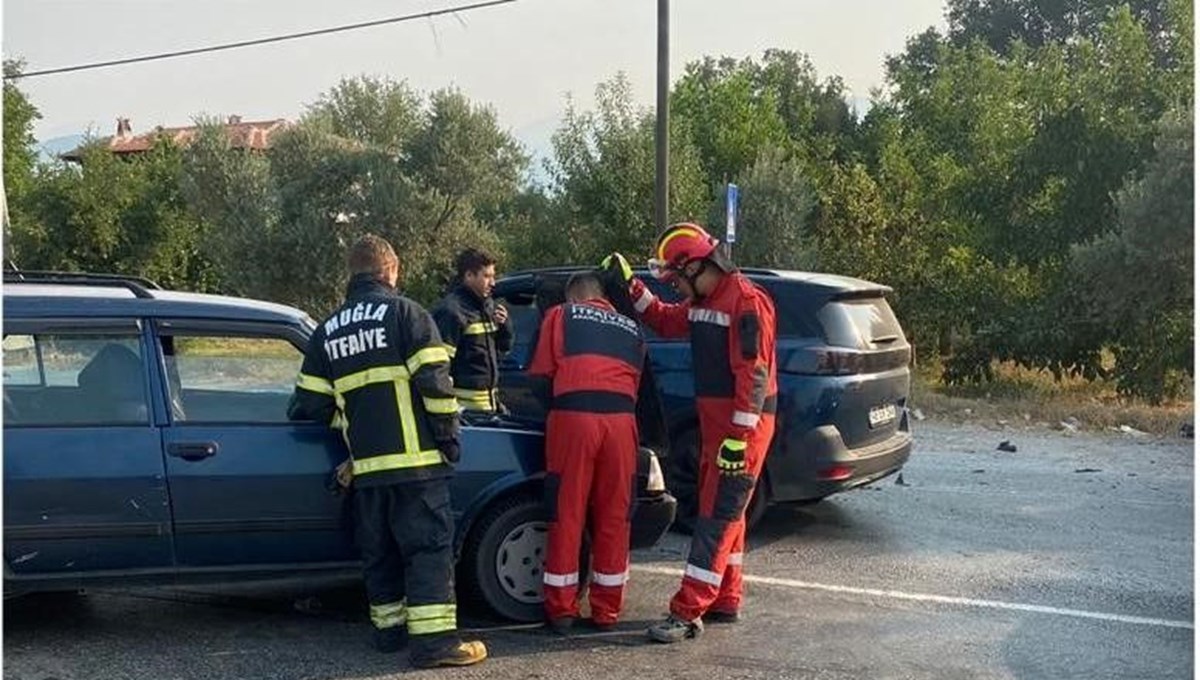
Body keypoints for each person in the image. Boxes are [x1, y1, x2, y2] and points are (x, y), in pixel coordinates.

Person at [288, 234, 486, 669]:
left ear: (353, 274)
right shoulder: (406, 314)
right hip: (418, 467)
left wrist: (351, 424)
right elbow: (436, 384)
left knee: (379, 554)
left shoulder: (329, 330)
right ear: (390, 270)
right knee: (428, 551)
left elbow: (309, 403)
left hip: (367, 471)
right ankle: (434, 645)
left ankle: (388, 634)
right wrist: (450, 439)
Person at [603, 223, 778, 644]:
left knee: (715, 519)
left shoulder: (746, 302)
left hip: (742, 428)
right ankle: (725, 597)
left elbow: (752, 376)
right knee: (727, 513)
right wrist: (632, 288)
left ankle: (687, 611)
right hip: (722, 426)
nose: (677, 288)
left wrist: (738, 437)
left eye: (678, 279)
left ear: (698, 265)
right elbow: (665, 321)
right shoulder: (706, 300)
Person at [527, 271, 646, 633]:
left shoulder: (561, 315)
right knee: (615, 516)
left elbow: (540, 376)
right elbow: (637, 386)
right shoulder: (631, 328)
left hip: (574, 418)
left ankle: (562, 610)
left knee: (567, 512)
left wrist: (556, 408)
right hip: (622, 424)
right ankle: (607, 610)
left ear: (573, 296)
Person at [432, 248, 513, 415]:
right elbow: (439, 368)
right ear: (469, 276)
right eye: (487, 276)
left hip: (490, 408)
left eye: (493, 276)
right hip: (466, 414)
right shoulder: (451, 312)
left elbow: (504, 347)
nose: (493, 283)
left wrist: (505, 326)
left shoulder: (488, 306)